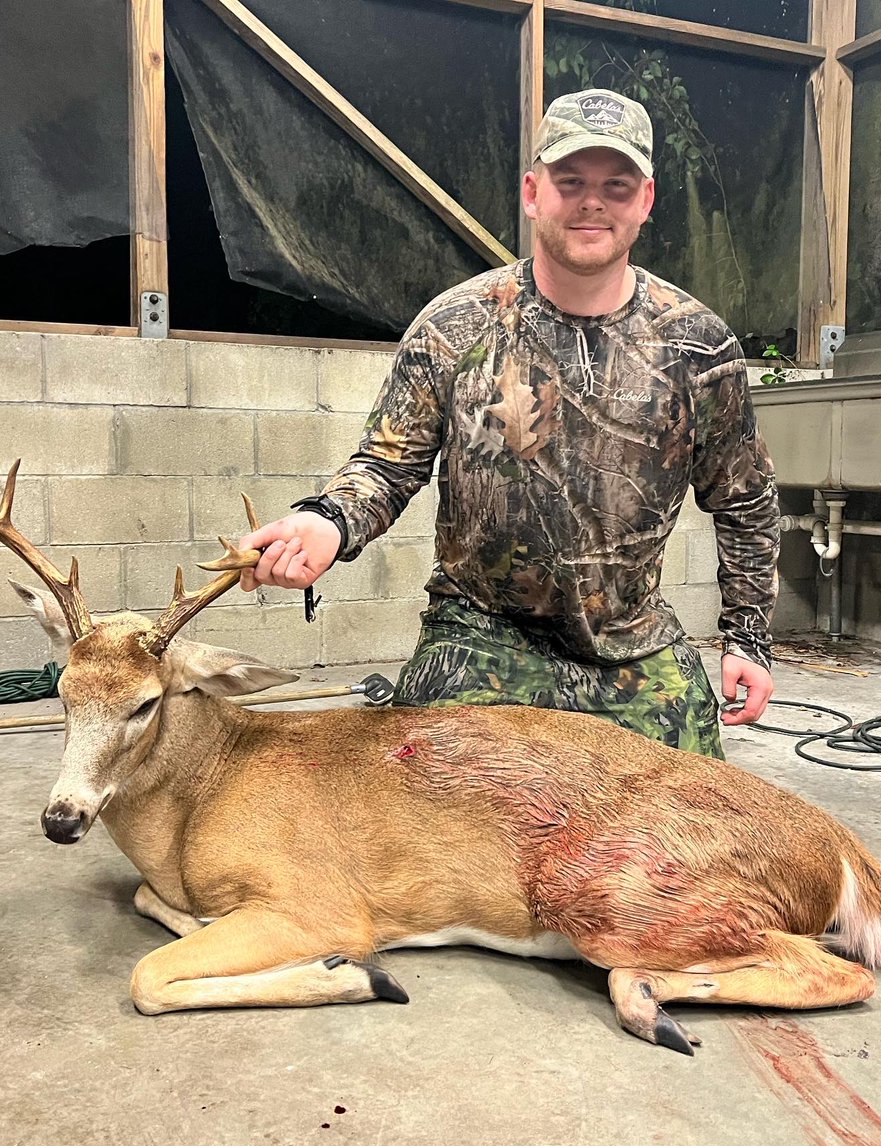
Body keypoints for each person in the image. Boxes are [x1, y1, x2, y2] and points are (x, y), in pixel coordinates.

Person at [238, 88, 780, 760]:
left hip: (629, 643)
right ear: (532, 192)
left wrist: (747, 639)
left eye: (615, 185)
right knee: (425, 826)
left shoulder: (696, 344)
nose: (591, 202)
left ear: (644, 201)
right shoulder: (454, 325)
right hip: (479, 637)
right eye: (569, 181)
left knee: (693, 832)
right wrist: (328, 522)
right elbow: (385, 465)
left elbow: (745, 502)